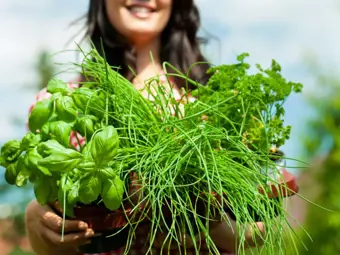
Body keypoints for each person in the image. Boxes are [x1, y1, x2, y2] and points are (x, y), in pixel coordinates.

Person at [25, 0, 266, 254]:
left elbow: (263, 219)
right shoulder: (62, 106)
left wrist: (219, 230)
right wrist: (34, 219)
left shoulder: (223, 102)